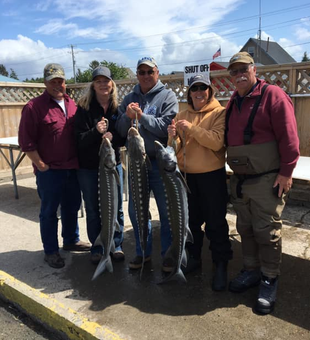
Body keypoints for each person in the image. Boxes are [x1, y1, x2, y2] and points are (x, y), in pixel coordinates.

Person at [225, 52, 300, 314]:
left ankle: (269, 278)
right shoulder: (233, 101)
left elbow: (290, 139)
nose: (239, 75)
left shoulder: (273, 95)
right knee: (245, 228)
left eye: (243, 69)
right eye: (233, 71)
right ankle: (251, 271)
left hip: (268, 178)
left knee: (267, 232)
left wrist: (286, 172)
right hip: (241, 180)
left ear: (254, 69)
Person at [18, 63, 91, 269]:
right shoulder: (34, 107)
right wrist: (40, 165)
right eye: (53, 81)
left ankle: (70, 240)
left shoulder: (72, 104)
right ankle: (50, 250)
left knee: (72, 207)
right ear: (45, 83)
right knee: (49, 211)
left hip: (72, 167)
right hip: (50, 170)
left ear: (65, 82)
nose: (57, 85)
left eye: (60, 81)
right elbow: (26, 141)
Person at [167, 74, 233, 291]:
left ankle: (220, 264)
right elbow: (174, 149)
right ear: (189, 92)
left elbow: (217, 143)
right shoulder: (181, 114)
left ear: (210, 90)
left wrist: (192, 129)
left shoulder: (219, 112)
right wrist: (172, 136)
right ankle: (193, 258)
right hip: (187, 177)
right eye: (195, 88)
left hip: (212, 177)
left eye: (203, 88)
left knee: (216, 223)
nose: (199, 92)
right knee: (191, 223)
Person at [116, 56, 178, 271]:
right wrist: (126, 116)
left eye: (149, 72)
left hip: (161, 164)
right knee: (137, 211)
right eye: (141, 72)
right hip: (135, 163)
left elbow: (165, 127)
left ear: (157, 73)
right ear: (137, 74)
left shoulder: (168, 96)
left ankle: (169, 254)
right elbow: (120, 130)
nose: (145, 76)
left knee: (166, 211)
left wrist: (141, 117)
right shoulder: (129, 97)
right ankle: (143, 252)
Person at [74, 66, 126, 265]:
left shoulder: (117, 108)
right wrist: (96, 132)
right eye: (99, 81)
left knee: (117, 208)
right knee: (94, 208)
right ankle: (97, 247)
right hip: (89, 168)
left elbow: (122, 138)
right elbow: (78, 140)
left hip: (113, 166)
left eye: (106, 80)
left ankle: (116, 244)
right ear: (93, 85)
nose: (103, 84)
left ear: (112, 84)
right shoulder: (84, 108)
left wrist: (115, 138)